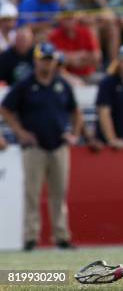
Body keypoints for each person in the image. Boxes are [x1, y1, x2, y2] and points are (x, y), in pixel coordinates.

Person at [0, 42, 83, 251]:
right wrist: (20, 132)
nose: (47, 64)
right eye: (43, 59)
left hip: (59, 146)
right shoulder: (25, 84)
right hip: (34, 146)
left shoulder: (62, 84)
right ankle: (30, 237)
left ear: (55, 61)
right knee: (32, 193)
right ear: (36, 60)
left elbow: (75, 111)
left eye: (50, 59)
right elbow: (6, 109)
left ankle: (62, 236)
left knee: (59, 193)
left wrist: (74, 134)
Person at [49, 11, 101, 81]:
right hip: (65, 76)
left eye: (71, 18)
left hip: (87, 73)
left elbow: (96, 56)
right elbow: (55, 60)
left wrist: (68, 57)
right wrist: (77, 55)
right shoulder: (54, 35)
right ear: (61, 20)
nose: (69, 22)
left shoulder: (85, 32)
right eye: (66, 19)